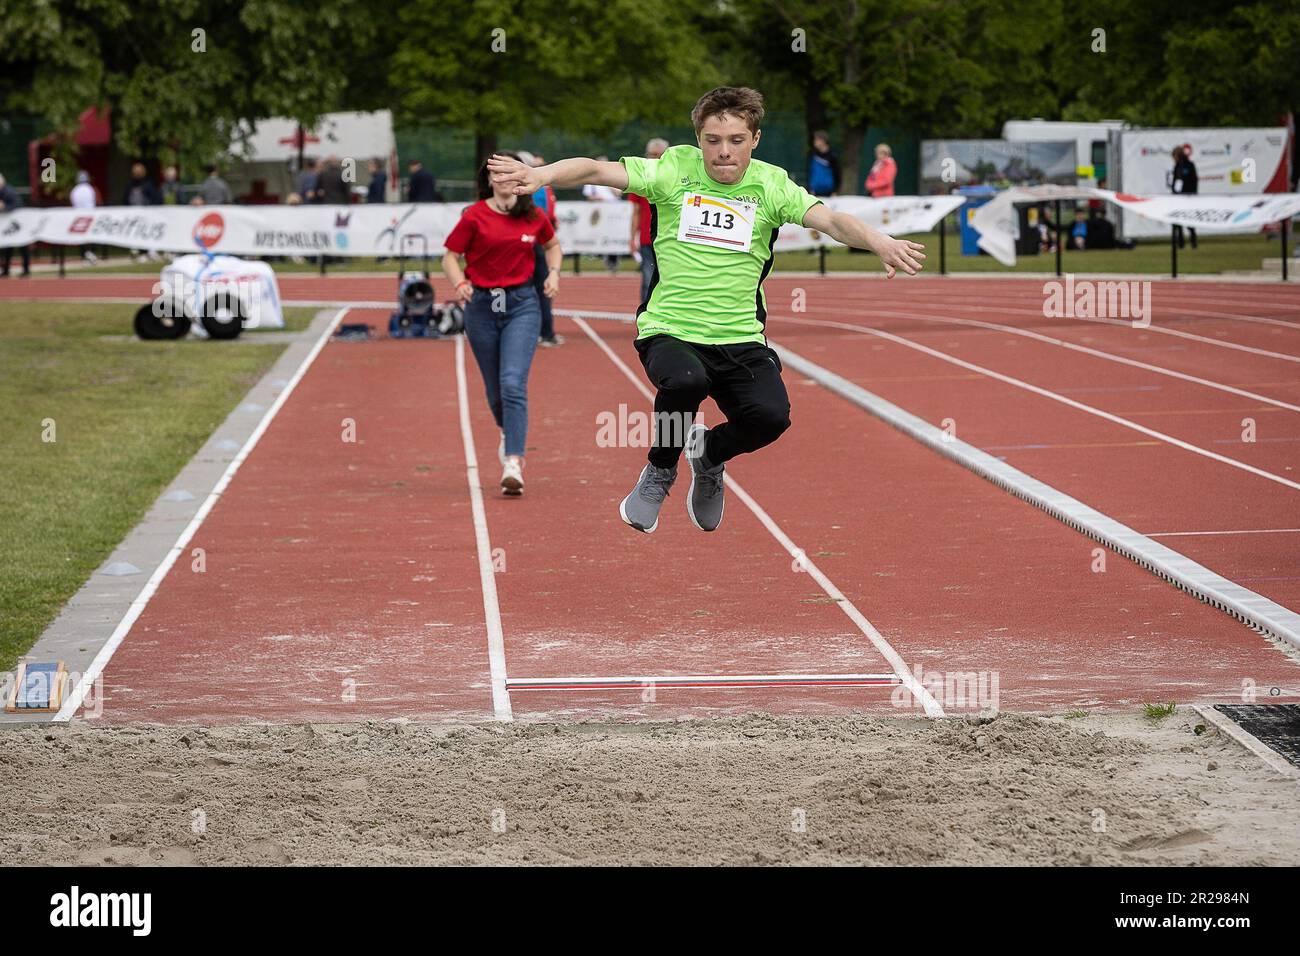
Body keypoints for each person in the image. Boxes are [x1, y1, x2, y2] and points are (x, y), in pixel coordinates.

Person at [488, 86, 924, 534]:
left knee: (772, 417)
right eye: (713, 140)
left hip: (740, 337)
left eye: (736, 140)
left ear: (755, 139)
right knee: (686, 381)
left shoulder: (772, 185)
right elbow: (597, 169)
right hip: (670, 329)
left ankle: (710, 454)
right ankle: (660, 470)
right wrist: (541, 175)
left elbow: (830, 220)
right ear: (699, 139)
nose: (723, 152)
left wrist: (879, 241)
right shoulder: (674, 169)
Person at [442, 151, 563, 497]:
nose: (506, 179)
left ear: (520, 177)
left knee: (512, 383)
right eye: (498, 173)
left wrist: (553, 272)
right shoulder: (474, 216)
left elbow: (553, 246)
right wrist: (459, 283)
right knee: (495, 391)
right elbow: (450, 255)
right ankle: (508, 431)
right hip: (481, 306)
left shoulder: (534, 216)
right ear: (490, 180)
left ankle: (513, 460)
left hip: (522, 306)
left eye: (512, 172)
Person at [521, 151, 563, 347]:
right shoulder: (542, 188)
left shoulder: (535, 187)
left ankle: (544, 331)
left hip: (530, 240)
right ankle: (544, 331)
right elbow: (547, 213)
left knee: (535, 287)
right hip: (533, 240)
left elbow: (542, 214)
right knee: (537, 287)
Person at [628, 138, 668, 306]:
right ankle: (645, 315)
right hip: (646, 237)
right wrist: (632, 237)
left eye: (658, 155)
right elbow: (635, 212)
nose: (654, 159)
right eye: (651, 155)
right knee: (647, 277)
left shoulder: (674, 177)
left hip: (669, 238)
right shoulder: (642, 178)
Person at [583, 157, 622, 273]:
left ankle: (613, 259)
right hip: (598, 212)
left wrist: (609, 183)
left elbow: (618, 193)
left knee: (613, 235)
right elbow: (589, 196)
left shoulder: (615, 178)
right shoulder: (591, 181)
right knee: (596, 233)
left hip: (612, 213)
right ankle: (595, 255)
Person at [0, 173, 32, 277]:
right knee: (8, 247)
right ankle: (5, 269)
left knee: (22, 246)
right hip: (10, 225)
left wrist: (5, 207)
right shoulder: (3, 191)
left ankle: (26, 269)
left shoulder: (8, 192)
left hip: (19, 224)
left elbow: (17, 205)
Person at [1171, 145, 1198, 250]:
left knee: (1189, 221)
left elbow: (1194, 181)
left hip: (1188, 197)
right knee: (1178, 222)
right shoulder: (1177, 166)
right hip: (1178, 198)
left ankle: (1193, 242)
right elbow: (1175, 181)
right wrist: (1174, 191)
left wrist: (1192, 194)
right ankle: (1180, 243)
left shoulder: (1190, 165)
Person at [70, 171, 99, 263]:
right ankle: (90, 253)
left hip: (78, 216)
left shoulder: (74, 190)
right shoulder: (90, 189)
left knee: (81, 237)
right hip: (90, 216)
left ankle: (84, 255)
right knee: (90, 236)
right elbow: (94, 202)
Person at [807, 130, 840, 197]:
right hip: (815, 193)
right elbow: (811, 173)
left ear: (823, 141)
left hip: (829, 193)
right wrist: (810, 189)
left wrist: (835, 190)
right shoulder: (813, 155)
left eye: (816, 140)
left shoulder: (832, 156)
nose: (814, 142)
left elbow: (837, 174)